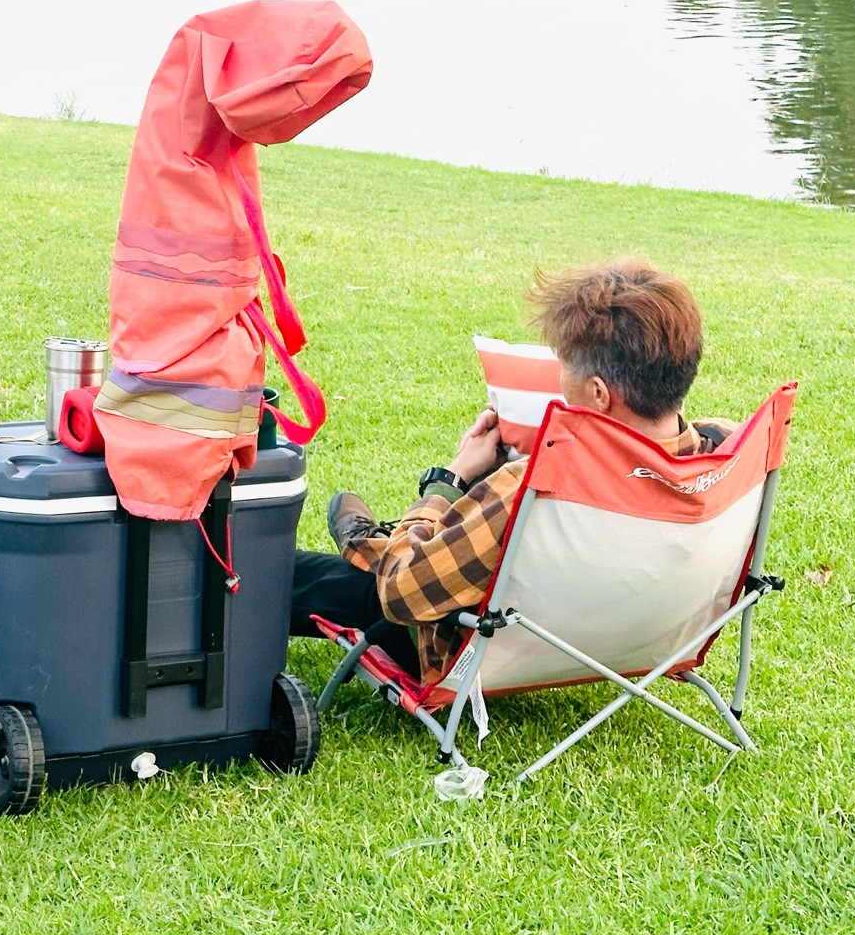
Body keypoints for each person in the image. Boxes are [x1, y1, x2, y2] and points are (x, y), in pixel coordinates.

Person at [290, 258, 737, 684]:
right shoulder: (725, 453)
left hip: (484, 646)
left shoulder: (533, 481)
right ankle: (369, 540)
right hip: (629, 636)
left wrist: (451, 479)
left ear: (599, 393)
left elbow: (404, 594)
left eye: (565, 369)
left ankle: (366, 543)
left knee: (345, 583)